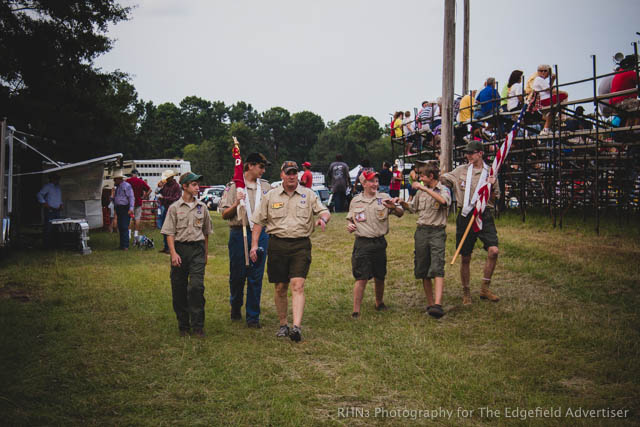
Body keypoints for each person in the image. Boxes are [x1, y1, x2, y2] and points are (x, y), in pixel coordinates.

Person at [250, 161, 331, 343]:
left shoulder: (308, 194)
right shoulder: (270, 196)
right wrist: (254, 245)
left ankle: (296, 327)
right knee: (280, 287)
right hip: (277, 245)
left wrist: (324, 220)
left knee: (297, 285)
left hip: (300, 245)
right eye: (288, 173)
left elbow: (324, 211)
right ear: (282, 176)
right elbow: (258, 222)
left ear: (298, 175)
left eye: (294, 173)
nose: (292, 176)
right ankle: (283, 324)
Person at [440, 141, 500, 305]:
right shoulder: (461, 170)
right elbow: (444, 180)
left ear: (480, 153)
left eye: (471, 153)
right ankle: (466, 292)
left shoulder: (490, 172)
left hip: (484, 214)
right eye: (467, 153)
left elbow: (495, 197)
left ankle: (485, 288)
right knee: (465, 256)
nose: (468, 156)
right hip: (465, 215)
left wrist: (492, 185)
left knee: (493, 251)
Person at [219, 152, 271, 328]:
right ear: (249, 166)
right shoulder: (234, 186)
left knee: (256, 276)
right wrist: (236, 204)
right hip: (239, 233)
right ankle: (235, 305)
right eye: (261, 166)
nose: (263, 171)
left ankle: (253, 317)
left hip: (261, 234)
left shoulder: (266, 187)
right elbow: (224, 214)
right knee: (238, 275)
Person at [161, 172, 213, 337]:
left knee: (197, 287)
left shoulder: (202, 208)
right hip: (180, 250)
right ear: (184, 186)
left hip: (197, 249)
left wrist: (205, 253)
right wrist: (173, 253)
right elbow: (169, 233)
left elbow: (206, 233)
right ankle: (183, 325)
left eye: (198, 184)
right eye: (194, 184)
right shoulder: (175, 208)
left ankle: (198, 326)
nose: (197, 187)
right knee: (179, 288)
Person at [346, 169, 403, 318]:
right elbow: (350, 219)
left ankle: (379, 302)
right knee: (361, 277)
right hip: (362, 243)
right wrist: (350, 225)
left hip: (379, 242)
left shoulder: (384, 197)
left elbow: (400, 213)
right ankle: (356, 310)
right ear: (363, 183)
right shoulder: (356, 201)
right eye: (371, 181)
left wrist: (394, 208)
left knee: (380, 275)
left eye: (376, 181)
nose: (375, 184)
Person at [400, 160, 451, 318]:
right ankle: (430, 304)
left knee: (437, 266)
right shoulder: (421, 192)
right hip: (421, 231)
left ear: (430, 176)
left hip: (437, 231)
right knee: (423, 268)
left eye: (422, 175)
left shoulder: (443, 190)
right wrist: (401, 204)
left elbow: (444, 202)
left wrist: (423, 188)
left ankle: (438, 304)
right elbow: (413, 208)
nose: (420, 178)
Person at [531, 64, 569, 135]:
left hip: (544, 100)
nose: (543, 72)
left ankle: (546, 129)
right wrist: (563, 92)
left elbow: (548, 88)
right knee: (564, 95)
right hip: (545, 100)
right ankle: (563, 116)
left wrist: (552, 79)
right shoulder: (539, 79)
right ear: (538, 72)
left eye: (545, 71)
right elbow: (550, 90)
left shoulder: (540, 80)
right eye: (541, 71)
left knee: (552, 113)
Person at [37, 173, 63, 248]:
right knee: (48, 227)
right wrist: (44, 203)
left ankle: (55, 244)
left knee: (57, 227)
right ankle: (46, 245)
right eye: (56, 179)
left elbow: (59, 198)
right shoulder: (47, 187)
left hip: (57, 210)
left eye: (58, 179)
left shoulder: (58, 188)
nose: (57, 180)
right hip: (50, 210)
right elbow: (39, 194)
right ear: (51, 179)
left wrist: (61, 204)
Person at [158, 170, 181, 253]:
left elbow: (176, 198)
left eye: (168, 178)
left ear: (171, 177)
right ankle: (166, 246)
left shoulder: (176, 186)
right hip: (166, 208)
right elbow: (160, 192)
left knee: (172, 229)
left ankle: (172, 247)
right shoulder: (166, 186)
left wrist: (164, 198)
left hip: (173, 210)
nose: (166, 179)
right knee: (165, 229)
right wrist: (159, 188)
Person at [111, 170, 134, 251]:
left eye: (115, 179)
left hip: (125, 208)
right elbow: (117, 199)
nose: (114, 181)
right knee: (120, 226)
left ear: (119, 179)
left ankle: (125, 246)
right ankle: (122, 245)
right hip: (119, 208)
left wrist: (131, 208)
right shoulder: (117, 188)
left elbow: (131, 197)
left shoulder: (126, 186)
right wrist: (112, 198)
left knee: (124, 226)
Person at [126, 169, 151, 243]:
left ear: (131, 174)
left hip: (130, 202)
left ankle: (129, 233)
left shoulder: (127, 181)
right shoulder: (141, 181)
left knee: (130, 218)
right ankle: (136, 233)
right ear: (137, 174)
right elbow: (149, 190)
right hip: (138, 202)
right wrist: (144, 196)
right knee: (137, 218)